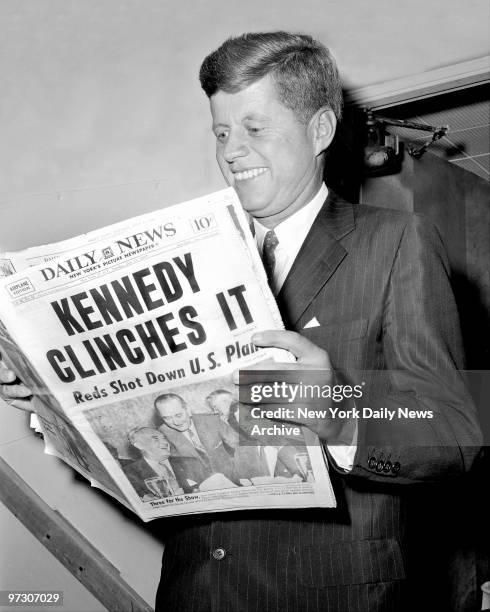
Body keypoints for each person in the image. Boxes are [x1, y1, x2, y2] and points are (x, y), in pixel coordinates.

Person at [0, 31, 482, 612]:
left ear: (321, 129)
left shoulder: (396, 241)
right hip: (195, 592)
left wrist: (341, 415)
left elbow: (457, 432)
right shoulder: (192, 261)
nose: (231, 151)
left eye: (255, 129)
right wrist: (56, 401)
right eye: (222, 133)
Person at [154, 393, 240, 486]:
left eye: (178, 415)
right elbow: (166, 470)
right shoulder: (161, 434)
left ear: (187, 409)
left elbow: (240, 447)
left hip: (232, 479)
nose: (176, 422)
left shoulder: (212, 420)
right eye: (167, 418)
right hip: (198, 487)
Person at [125, 426, 185, 500]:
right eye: (155, 438)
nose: (165, 442)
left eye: (164, 438)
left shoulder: (190, 463)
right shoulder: (129, 473)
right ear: (139, 445)